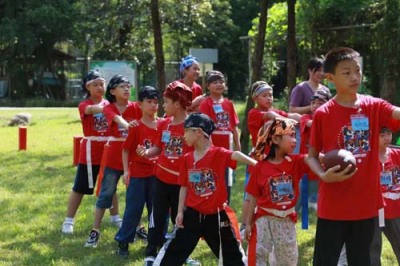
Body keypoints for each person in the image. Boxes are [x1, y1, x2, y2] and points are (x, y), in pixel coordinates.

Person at [307, 47, 400, 266]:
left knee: (362, 260)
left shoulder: (373, 106)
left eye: (357, 71)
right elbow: (310, 156)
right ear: (330, 78)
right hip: (333, 206)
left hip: (366, 205)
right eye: (346, 72)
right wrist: (323, 175)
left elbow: (396, 113)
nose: (355, 77)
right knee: (325, 260)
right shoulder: (323, 113)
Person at [153, 113, 257, 266]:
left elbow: (235, 155)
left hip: (217, 217)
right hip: (192, 216)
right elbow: (183, 187)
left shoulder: (217, 153)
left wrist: (256, 164)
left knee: (232, 256)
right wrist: (180, 211)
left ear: (199, 132)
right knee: (172, 253)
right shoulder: (187, 159)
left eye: (186, 131)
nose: (183, 136)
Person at [137, 81, 193, 266]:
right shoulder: (164, 124)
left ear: (177, 104)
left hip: (181, 184)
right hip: (160, 180)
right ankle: (151, 252)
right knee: (157, 217)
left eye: (166, 102)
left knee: (180, 220)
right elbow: (158, 147)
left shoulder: (192, 126)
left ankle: (181, 254)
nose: (162, 106)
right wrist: (147, 153)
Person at [84, 75, 142, 248]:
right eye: (122, 86)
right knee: (106, 194)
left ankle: (139, 228)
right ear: (112, 91)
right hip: (112, 158)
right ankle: (95, 231)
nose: (126, 89)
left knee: (135, 195)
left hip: (133, 159)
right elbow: (117, 119)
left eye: (128, 86)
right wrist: (128, 126)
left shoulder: (136, 107)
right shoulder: (109, 108)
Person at [61, 70, 121, 234]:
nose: (100, 87)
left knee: (111, 186)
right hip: (89, 154)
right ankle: (68, 221)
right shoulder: (85, 105)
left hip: (108, 152)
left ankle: (115, 217)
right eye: (95, 85)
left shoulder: (110, 104)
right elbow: (91, 110)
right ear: (88, 87)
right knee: (79, 188)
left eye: (102, 84)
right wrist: (108, 109)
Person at [244, 117, 309, 266]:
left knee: (287, 259)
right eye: (291, 136)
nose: (295, 140)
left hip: (286, 221)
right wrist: (248, 224)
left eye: (295, 136)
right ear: (275, 139)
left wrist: (334, 159)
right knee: (258, 256)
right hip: (263, 220)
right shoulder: (260, 167)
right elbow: (252, 196)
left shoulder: (295, 162)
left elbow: (312, 158)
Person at [241, 81, 300, 234]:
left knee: (268, 193)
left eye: (271, 95)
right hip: (257, 161)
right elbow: (270, 115)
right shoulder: (254, 114)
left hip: (272, 163)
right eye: (264, 95)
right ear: (255, 98)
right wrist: (283, 120)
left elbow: (290, 115)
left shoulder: (276, 112)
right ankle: (244, 225)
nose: (269, 98)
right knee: (250, 195)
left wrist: (306, 118)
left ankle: (268, 222)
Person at [114, 86, 161, 258]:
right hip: (138, 175)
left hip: (157, 175)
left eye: (156, 102)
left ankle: (156, 242)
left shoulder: (163, 124)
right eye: (149, 102)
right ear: (140, 104)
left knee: (156, 210)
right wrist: (126, 171)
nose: (153, 105)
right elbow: (126, 150)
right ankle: (123, 242)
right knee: (133, 209)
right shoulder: (136, 126)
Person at [289, 57, 330, 210]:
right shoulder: (300, 88)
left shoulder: (325, 89)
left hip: (320, 131)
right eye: (317, 70)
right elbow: (292, 109)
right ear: (310, 70)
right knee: (302, 162)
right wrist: (313, 108)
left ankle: (313, 199)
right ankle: (296, 199)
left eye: (323, 70)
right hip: (302, 130)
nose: (321, 73)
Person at [199, 70, 241, 203]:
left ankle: (225, 204)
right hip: (213, 144)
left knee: (226, 176)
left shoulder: (229, 103)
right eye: (215, 82)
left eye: (221, 81)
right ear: (208, 86)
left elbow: (234, 126)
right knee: (213, 175)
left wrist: (237, 146)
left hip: (227, 145)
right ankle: (211, 203)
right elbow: (205, 127)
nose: (219, 84)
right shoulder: (206, 104)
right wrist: (210, 147)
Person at [370, 126, 400, 265]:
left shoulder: (396, 154)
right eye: (382, 135)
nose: (387, 138)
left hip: (395, 211)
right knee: (372, 248)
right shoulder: (367, 159)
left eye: (389, 134)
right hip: (373, 211)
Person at [299, 89, 331, 211]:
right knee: (303, 190)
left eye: (320, 103)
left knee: (322, 188)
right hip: (307, 164)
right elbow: (311, 124)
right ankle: (303, 210)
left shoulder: (330, 120)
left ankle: (319, 205)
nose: (315, 106)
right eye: (313, 103)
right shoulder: (305, 117)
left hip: (323, 164)